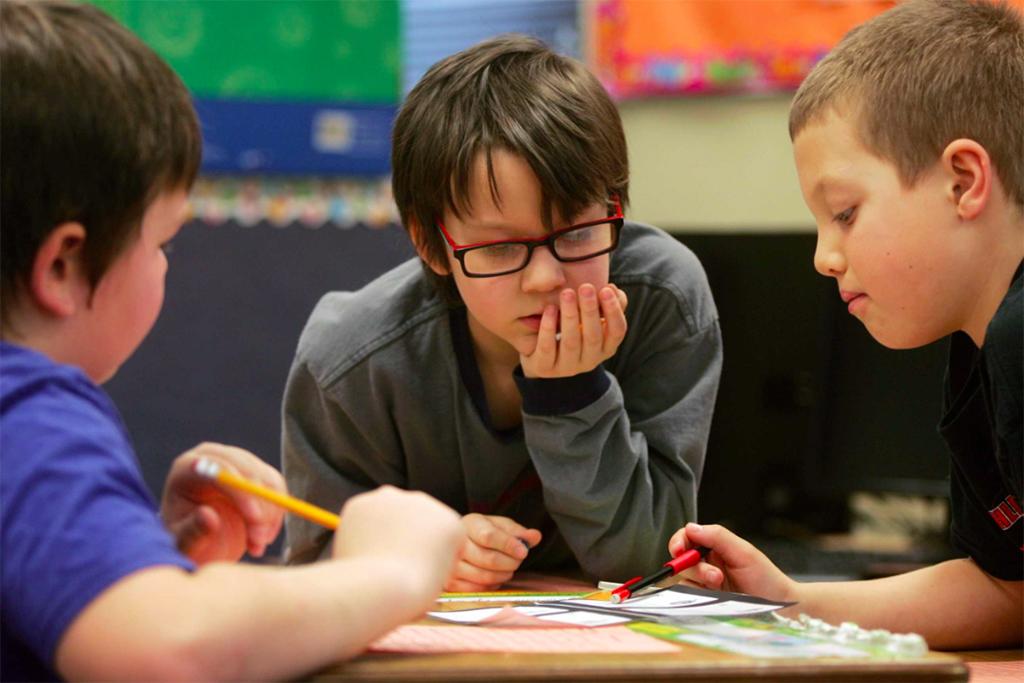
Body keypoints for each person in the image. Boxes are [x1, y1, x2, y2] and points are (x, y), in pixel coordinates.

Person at [0, 2, 465, 681]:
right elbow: (162, 647)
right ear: (63, 267)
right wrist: (387, 569)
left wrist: (152, 556)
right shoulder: (30, 413)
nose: (166, 265)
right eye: (161, 242)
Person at [282, 35, 722, 589]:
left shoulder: (664, 298)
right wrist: (411, 554)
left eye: (579, 231)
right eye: (498, 248)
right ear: (431, 245)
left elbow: (649, 563)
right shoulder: (351, 362)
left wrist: (571, 392)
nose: (546, 278)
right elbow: (314, 567)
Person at [669, 0, 1023, 650]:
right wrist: (791, 600)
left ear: (964, 180)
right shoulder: (979, 358)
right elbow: (1008, 589)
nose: (824, 258)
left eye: (845, 213)